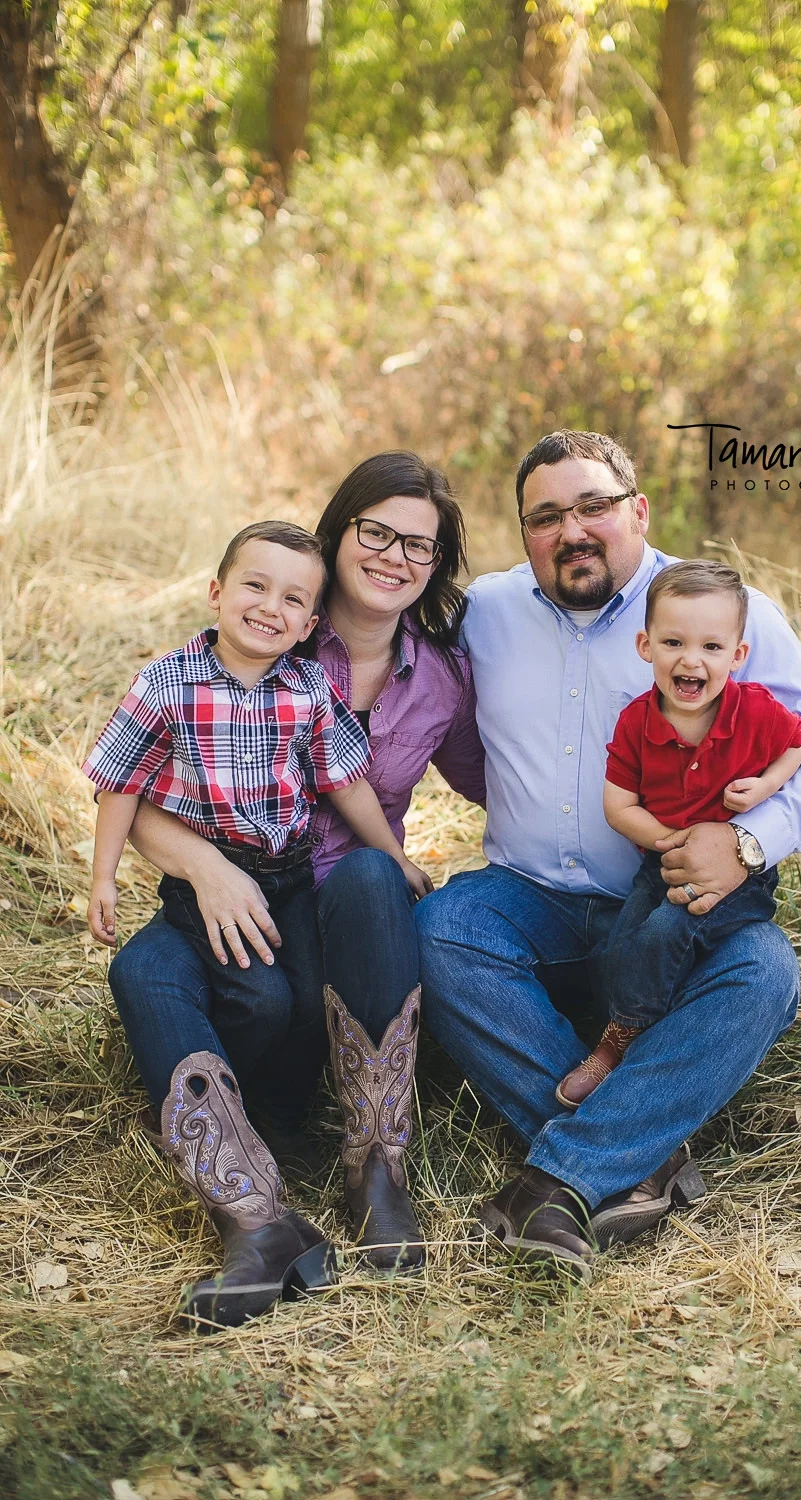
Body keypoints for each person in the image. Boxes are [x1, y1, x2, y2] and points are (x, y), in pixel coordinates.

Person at [415, 430, 801, 1281]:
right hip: (531, 901)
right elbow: (412, 701)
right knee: (443, 928)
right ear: (523, 532)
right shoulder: (488, 613)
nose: (572, 531)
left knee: (765, 972)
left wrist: (746, 841)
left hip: (673, 909)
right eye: (545, 517)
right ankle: (644, 1153)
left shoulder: (720, 615)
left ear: (638, 510)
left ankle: (563, 1175)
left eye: (593, 506)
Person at [106, 454, 485, 1318]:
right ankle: (257, 1219)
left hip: (349, 925)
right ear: (338, 531)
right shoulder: (268, 625)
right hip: (233, 900)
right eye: (375, 531)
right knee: (141, 970)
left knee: (367, 875)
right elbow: (140, 784)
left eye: (418, 546)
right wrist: (204, 866)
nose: (393, 556)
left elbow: (511, 779)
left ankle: (376, 1168)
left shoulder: (441, 678)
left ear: (435, 564)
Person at [556, 559, 801, 1109]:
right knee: (624, 942)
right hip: (663, 858)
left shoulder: (757, 711)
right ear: (646, 646)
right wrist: (671, 839)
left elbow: (797, 744)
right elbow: (618, 805)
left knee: (666, 930)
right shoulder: (636, 722)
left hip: (740, 877)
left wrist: (766, 787)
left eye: (712, 648)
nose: (691, 659)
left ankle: (619, 1043)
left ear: (737, 656)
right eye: (674, 642)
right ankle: (643, 1025)